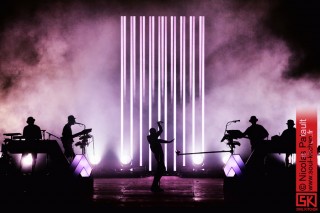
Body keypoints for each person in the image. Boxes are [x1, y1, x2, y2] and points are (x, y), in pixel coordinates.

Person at [147, 121, 174, 192]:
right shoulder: (150, 137)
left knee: (161, 170)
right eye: (154, 132)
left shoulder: (154, 138)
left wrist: (168, 142)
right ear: (151, 132)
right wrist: (158, 124)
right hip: (158, 155)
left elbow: (160, 139)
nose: (155, 133)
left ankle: (155, 186)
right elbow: (159, 137)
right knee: (160, 170)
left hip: (159, 155)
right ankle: (154, 186)